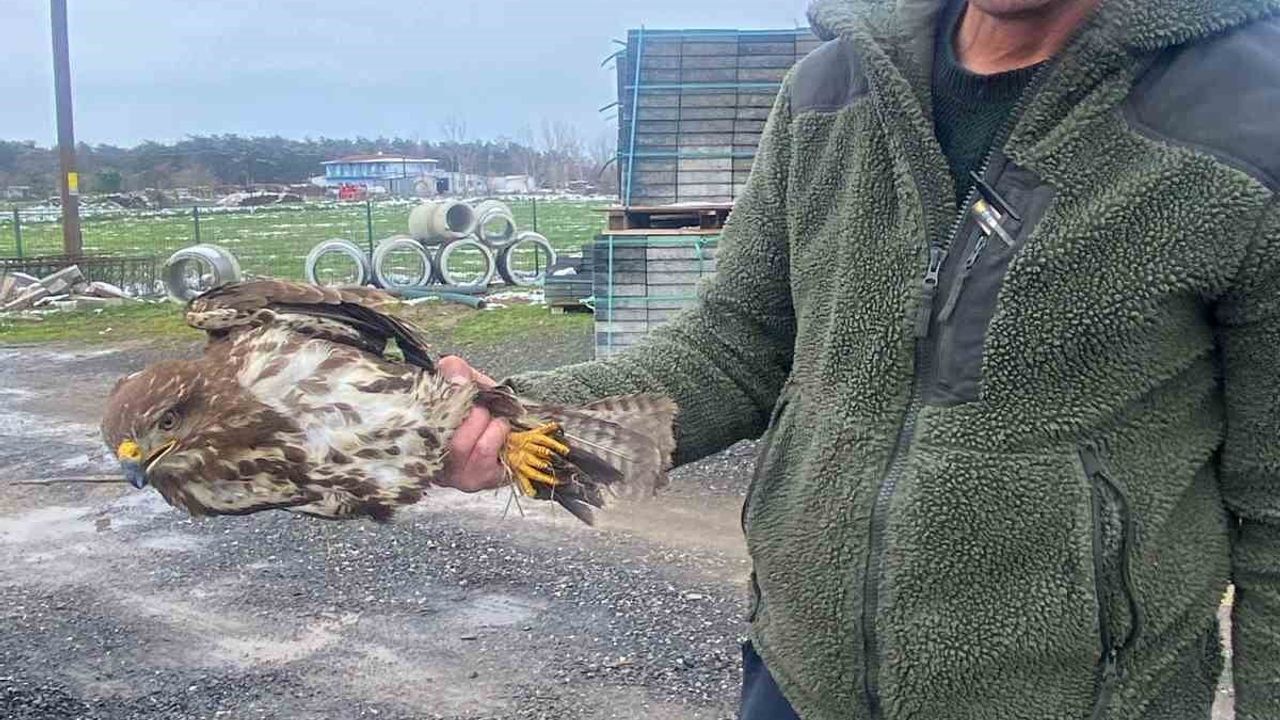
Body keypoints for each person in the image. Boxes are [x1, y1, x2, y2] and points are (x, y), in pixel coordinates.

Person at [439, 0, 1280, 716]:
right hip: (801, 677)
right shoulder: (833, 89)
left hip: (1086, 699)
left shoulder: (1251, 114)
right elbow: (736, 344)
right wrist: (513, 419)